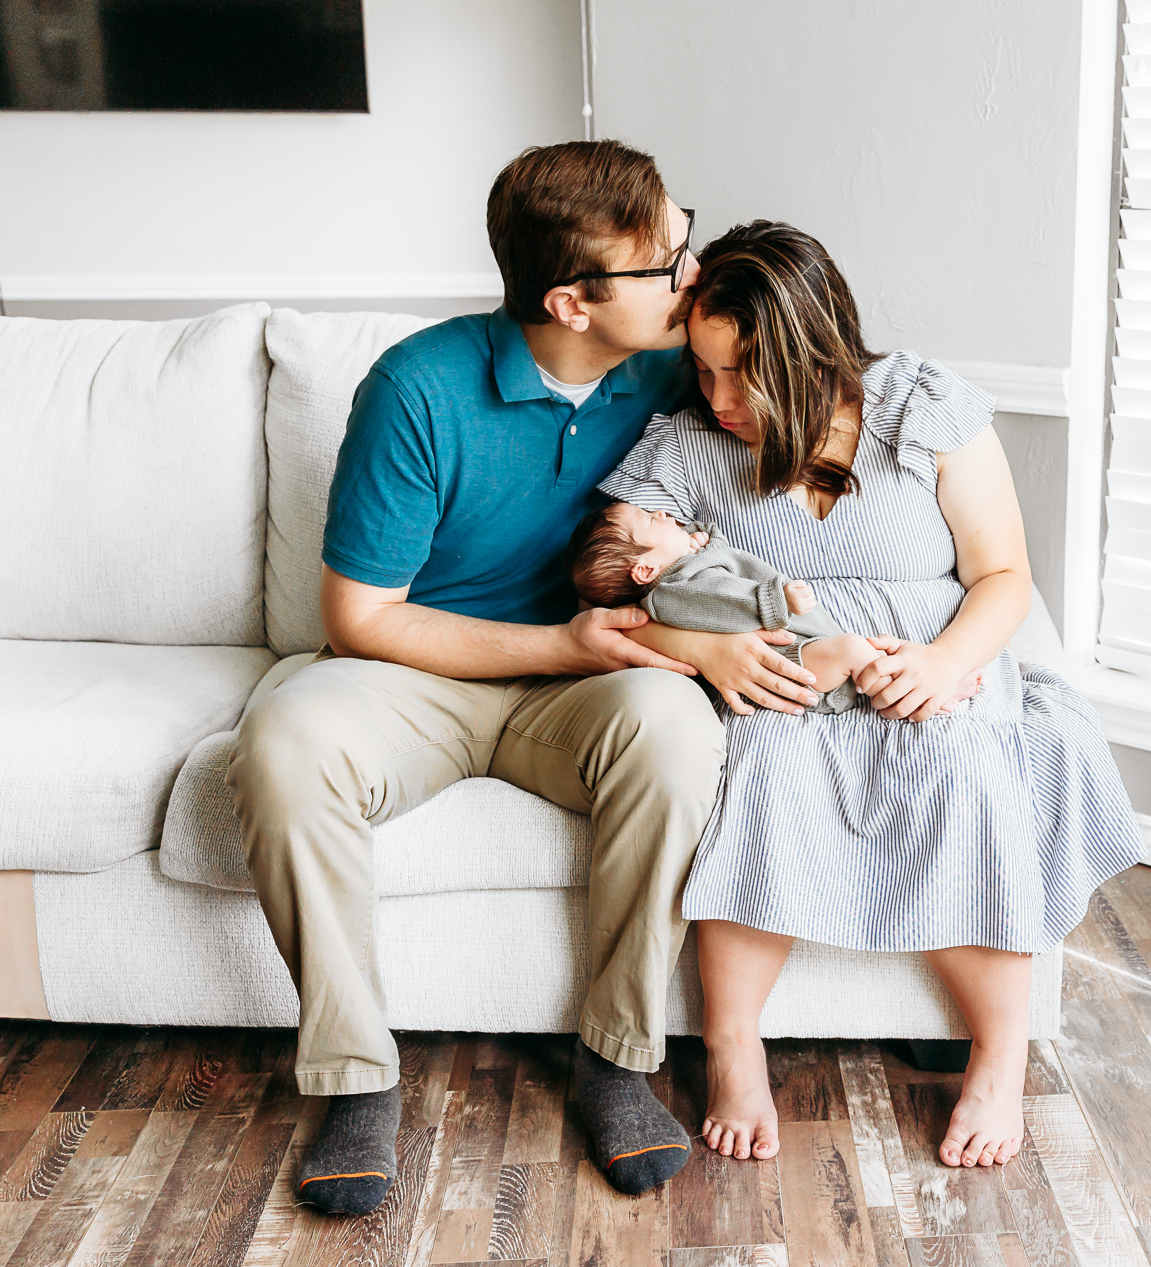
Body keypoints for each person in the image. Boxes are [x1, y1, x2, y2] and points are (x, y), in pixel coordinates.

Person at [226, 142, 820, 1216]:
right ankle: (356, 1079)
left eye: (683, 241)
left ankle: (616, 1055)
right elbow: (359, 617)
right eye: (667, 264)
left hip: (591, 686)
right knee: (282, 740)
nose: (694, 276)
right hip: (423, 671)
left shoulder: (682, 364)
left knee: (676, 732)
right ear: (570, 300)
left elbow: (819, 377)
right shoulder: (418, 386)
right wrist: (559, 644)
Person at [597, 221, 1147, 1169]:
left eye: (743, 376)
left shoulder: (923, 411)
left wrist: (941, 666)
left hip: (934, 662)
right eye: (705, 370)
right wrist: (708, 645)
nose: (720, 399)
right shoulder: (686, 449)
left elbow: (1005, 575)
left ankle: (998, 1057)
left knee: (963, 763)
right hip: (795, 677)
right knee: (761, 770)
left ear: (814, 355)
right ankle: (735, 1051)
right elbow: (620, 581)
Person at [567, 503, 983, 714]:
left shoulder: (684, 565)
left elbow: (716, 554)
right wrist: (775, 599)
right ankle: (929, 698)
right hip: (782, 659)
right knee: (855, 651)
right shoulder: (673, 592)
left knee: (869, 649)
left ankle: (921, 677)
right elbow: (722, 601)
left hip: (797, 642)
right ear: (644, 569)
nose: (660, 512)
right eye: (649, 520)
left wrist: (696, 539)